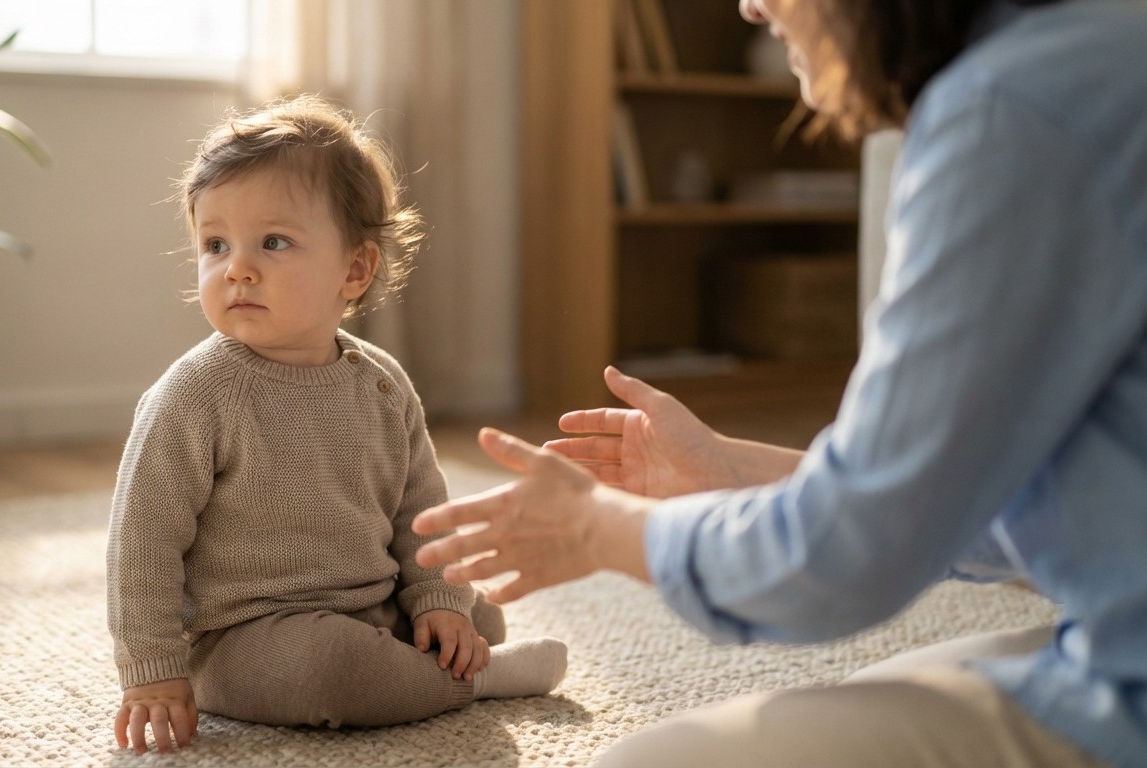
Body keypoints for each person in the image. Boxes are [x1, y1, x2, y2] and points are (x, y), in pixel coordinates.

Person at [414, 0, 1147, 765]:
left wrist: (593, 528)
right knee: (872, 692)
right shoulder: (1090, 50)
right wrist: (733, 473)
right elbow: (1003, 500)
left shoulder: (1008, 111)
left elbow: (845, 561)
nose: (749, 5)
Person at [106, 95, 567, 756]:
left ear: (354, 270)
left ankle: (432, 650)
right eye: (215, 245)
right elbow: (141, 543)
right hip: (246, 635)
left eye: (273, 242)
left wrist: (436, 598)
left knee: (471, 611)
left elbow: (421, 509)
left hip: (369, 599)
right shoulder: (194, 395)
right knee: (330, 672)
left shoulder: (380, 381)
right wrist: (151, 670)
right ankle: (477, 682)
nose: (236, 267)